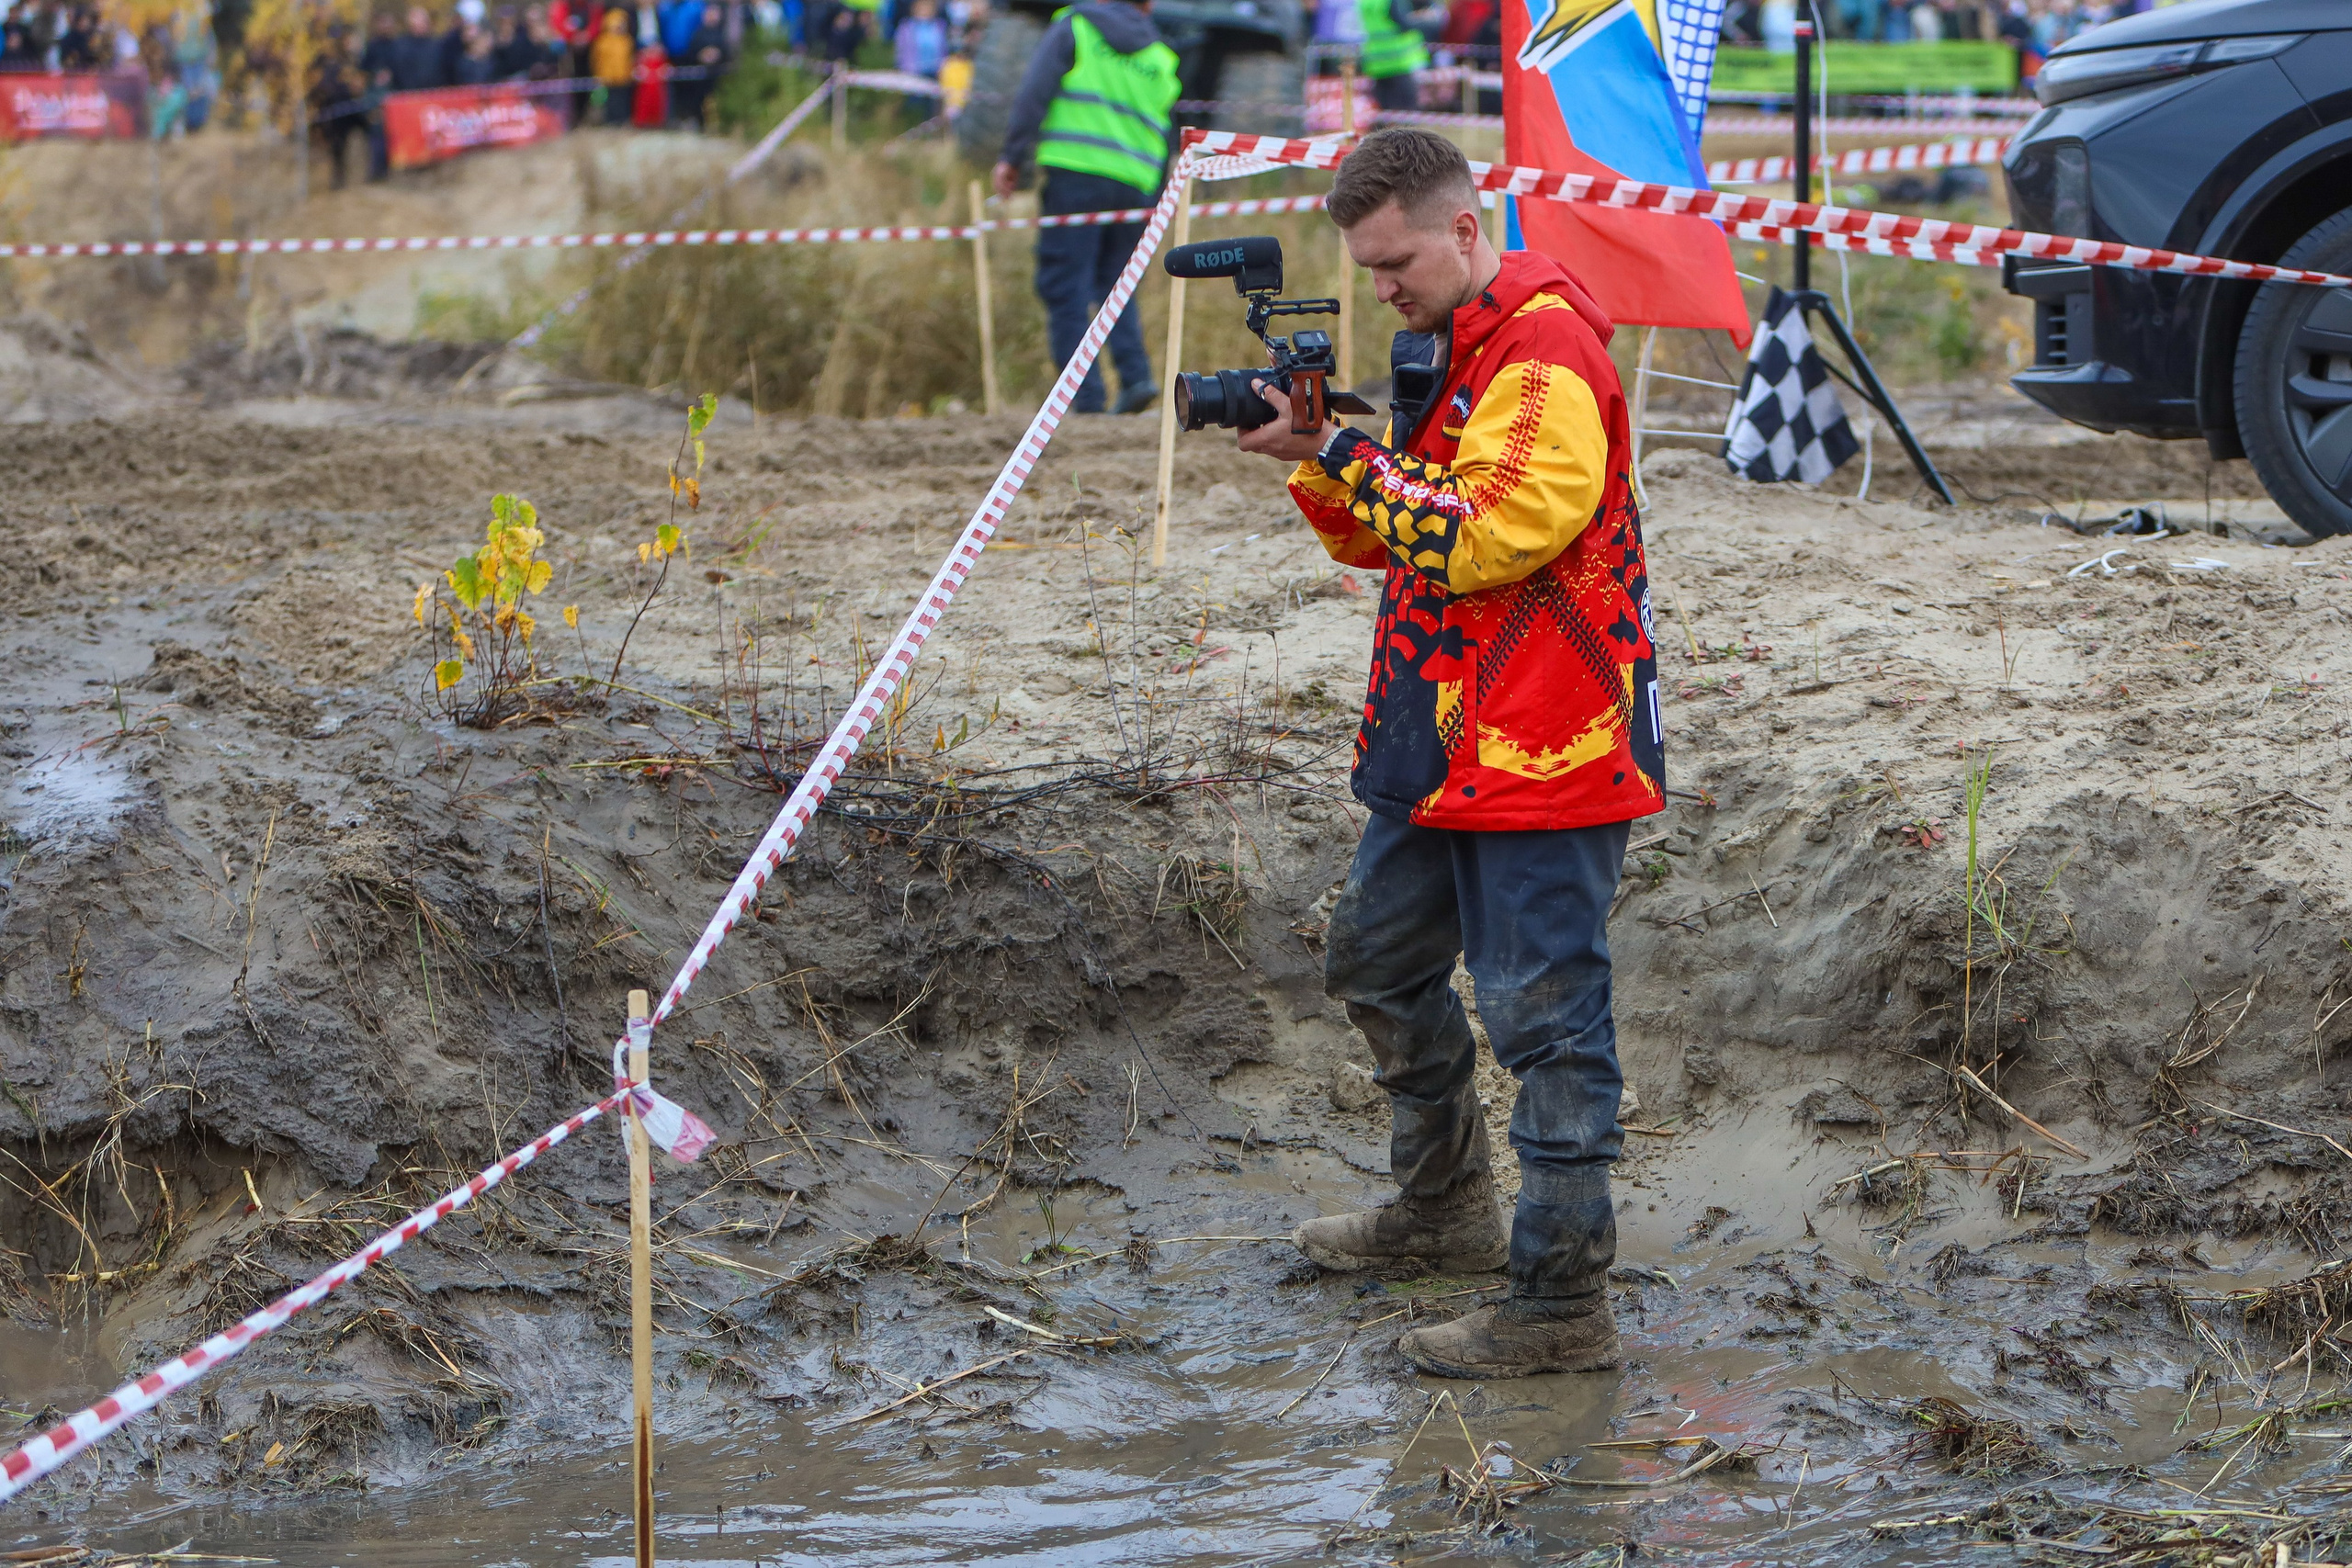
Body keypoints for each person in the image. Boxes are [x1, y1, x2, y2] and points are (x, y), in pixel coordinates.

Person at [1236, 128, 1661, 1379]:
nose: (1382, 290)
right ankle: (1444, 1208)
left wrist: (1341, 456)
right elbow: (1397, 536)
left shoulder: (1544, 358)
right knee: (1375, 959)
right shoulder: (1460, 350)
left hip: (1550, 742)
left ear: (1466, 229)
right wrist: (1324, 470)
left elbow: (1488, 537)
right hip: (1443, 736)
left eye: (1396, 262)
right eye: (1367, 271)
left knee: (1548, 1021)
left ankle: (1560, 1303)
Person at [989, 0, 1172, 415]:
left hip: (1076, 173)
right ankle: (1135, 377)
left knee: (1065, 286)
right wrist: (1157, 198)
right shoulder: (1161, 55)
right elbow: (1167, 133)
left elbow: (1035, 91)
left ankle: (1085, 400)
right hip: (1136, 185)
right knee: (1117, 284)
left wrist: (1012, 157)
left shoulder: (1076, 26)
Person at [1356, 0, 1438, 114]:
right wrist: (1428, 21)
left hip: (1377, 64)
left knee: (1384, 114)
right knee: (1407, 115)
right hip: (1400, 64)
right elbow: (1403, 24)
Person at [673, 0, 726, 125]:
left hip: (718, 75)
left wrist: (717, 55)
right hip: (700, 77)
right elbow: (692, 51)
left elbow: (726, 51)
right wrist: (701, 55)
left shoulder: (722, 34)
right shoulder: (698, 33)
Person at [591, 5, 634, 120]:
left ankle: (622, 119)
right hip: (607, 78)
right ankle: (610, 121)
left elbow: (630, 58)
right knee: (609, 102)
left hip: (623, 77)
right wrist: (598, 75)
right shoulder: (602, 42)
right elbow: (597, 60)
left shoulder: (627, 41)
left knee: (622, 100)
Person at [893, 0, 944, 77]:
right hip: (911, 71)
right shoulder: (905, 27)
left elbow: (943, 50)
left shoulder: (940, 26)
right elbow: (900, 50)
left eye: (928, 7)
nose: (925, 10)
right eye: (922, 7)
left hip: (936, 71)